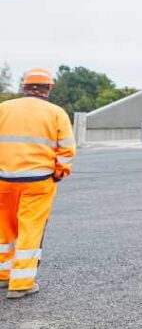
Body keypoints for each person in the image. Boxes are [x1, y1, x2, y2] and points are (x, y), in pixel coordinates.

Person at [0, 68, 75, 299]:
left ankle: (4, 275)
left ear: (24, 87)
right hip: (38, 182)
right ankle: (21, 283)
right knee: (30, 228)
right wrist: (59, 173)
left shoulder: (3, 109)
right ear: (48, 88)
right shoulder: (56, 113)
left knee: (5, 228)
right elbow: (67, 150)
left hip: (3, 180)